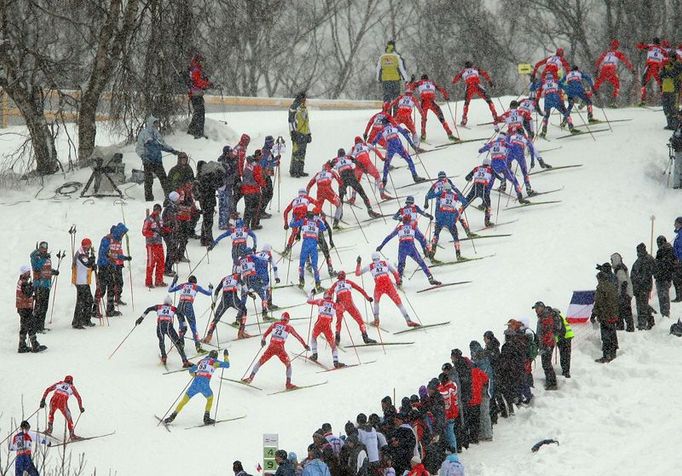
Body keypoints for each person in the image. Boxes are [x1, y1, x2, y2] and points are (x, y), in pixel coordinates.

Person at [242, 312, 310, 389]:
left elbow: (265, 334)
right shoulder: (289, 327)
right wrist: (305, 345)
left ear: (281, 318)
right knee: (288, 365)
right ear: (287, 320)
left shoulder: (274, 324)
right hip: (279, 348)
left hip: (271, 347)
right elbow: (298, 337)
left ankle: (250, 378)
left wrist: (263, 340)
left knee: (260, 362)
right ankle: (288, 384)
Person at [163, 349, 230, 425]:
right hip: (204, 385)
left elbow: (191, 370)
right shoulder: (215, 362)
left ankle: (172, 416)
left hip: (194, 384)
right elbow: (227, 365)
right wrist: (226, 356)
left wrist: (196, 374)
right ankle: (206, 417)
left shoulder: (201, 361)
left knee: (184, 400)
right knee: (210, 398)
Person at [355, 253, 419, 328]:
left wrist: (358, 264)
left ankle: (376, 320)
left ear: (372, 259)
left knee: (376, 302)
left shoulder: (370, 265)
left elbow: (357, 274)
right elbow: (394, 272)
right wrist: (398, 281)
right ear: (379, 258)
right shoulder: (385, 263)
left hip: (379, 284)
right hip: (388, 283)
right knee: (398, 303)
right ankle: (408, 320)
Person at [377, 215, 440, 285]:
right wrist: (427, 248)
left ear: (403, 221)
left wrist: (381, 246)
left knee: (401, 264)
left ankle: (399, 279)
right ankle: (430, 278)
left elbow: (389, 237)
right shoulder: (413, 227)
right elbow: (422, 238)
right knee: (421, 263)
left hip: (402, 248)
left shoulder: (399, 228)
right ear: (410, 221)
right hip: (411, 247)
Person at [136, 295, 193, 367]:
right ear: (171, 303)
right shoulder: (173, 308)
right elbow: (181, 315)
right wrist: (184, 325)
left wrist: (141, 318)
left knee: (161, 341)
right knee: (177, 343)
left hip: (160, 326)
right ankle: (185, 361)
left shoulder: (158, 307)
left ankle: (164, 357)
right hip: (169, 326)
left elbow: (148, 309)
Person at [136, 115, 179, 201]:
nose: (157, 124)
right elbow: (139, 148)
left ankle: (169, 198)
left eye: (157, 123)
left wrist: (172, 151)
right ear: (151, 123)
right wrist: (143, 156)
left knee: (164, 180)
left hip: (158, 161)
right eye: (155, 123)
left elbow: (163, 145)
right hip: (148, 162)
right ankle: (149, 199)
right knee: (148, 181)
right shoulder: (143, 133)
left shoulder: (157, 134)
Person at [330, 150, 382, 220]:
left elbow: (328, 167)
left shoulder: (335, 160)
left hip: (343, 179)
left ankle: (340, 214)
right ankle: (370, 210)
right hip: (351, 177)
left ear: (338, 155)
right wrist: (364, 169)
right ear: (344, 154)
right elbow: (358, 163)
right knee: (363, 194)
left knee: (341, 198)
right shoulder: (348, 157)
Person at [478, 132, 528, 204]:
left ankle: (484, 203)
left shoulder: (492, 143)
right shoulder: (504, 143)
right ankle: (520, 197)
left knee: (489, 184)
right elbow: (513, 147)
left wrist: (488, 148)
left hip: (493, 166)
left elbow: (480, 150)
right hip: (502, 165)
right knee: (514, 181)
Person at [328, 270, 376, 345]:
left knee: (339, 321)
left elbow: (328, 294)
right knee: (359, 319)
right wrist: (367, 297)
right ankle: (365, 336)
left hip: (339, 304)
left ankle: (337, 337)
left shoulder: (335, 284)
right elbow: (360, 289)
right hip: (349, 303)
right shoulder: (348, 282)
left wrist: (329, 303)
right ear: (344, 276)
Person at [371, 119, 426, 185]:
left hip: (390, 147)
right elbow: (405, 134)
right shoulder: (395, 126)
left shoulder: (382, 131)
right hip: (398, 145)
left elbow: (374, 141)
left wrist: (371, 145)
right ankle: (415, 176)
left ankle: (384, 181)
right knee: (409, 160)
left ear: (383, 124)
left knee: (387, 164)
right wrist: (412, 145)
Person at [169, 275, 212, 353]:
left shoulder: (183, 285)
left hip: (180, 305)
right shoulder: (195, 286)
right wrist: (210, 288)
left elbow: (170, 290)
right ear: (195, 282)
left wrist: (174, 282)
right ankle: (198, 347)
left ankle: (181, 344)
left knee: (182, 325)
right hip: (188, 305)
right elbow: (208, 293)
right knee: (193, 326)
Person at [425, 182, 468, 261]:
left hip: (441, 217)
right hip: (450, 218)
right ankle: (458, 255)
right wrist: (456, 207)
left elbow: (429, 196)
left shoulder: (441, 193)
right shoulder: (455, 195)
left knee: (436, 234)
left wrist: (430, 197)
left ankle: (432, 253)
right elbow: (465, 202)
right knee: (455, 236)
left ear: (444, 188)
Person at [96, 223, 131, 317]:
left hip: (112, 267)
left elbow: (114, 254)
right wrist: (108, 262)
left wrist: (124, 258)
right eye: (122, 233)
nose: (123, 236)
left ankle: (110, 310)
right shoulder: (106, 240)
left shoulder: (117, 241)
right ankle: (95, 309)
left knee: (111, 288)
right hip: (104, 267)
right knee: (102, 289)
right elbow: (103, 254)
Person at [205, 272, 249, 341]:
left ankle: (209, 335)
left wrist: (214, 302)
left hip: (224, 298)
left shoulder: (224, 278)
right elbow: (243, 283)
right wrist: (248, 292)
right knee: (244, 310)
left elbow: (217, 290)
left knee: (216, 317)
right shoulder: (237, 276)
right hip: (232, 296)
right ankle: (241, 332)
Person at [451, 61, 498, 126]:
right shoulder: (475, 69)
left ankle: (464, 119)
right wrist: (490, 82)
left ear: (465, 66)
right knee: (488, 100)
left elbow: (454, 80)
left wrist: (455, 81)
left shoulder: (462, 72)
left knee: (466, 103)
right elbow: (485, 74)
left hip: (469, 87)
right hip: (477, 85)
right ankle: (495, 115)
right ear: (472, 65)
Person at [413, 74, 456, 141]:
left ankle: (423, 136)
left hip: (424, 103)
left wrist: (411, 82)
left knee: (424, 119)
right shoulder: (432, 82)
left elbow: (410, 86)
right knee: (441, 118)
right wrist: (446, 96)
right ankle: (449, 134)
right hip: (432, 102)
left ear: (422, 79)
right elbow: (441, 89)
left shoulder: (419, 82)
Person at [534, 72, 578, 138]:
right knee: (566, 113)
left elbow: (536, 87)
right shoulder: (556, 81)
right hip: (556, 98)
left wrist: (535, 82)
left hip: (548, 100)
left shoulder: (543, 82)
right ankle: (571, 126)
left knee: (546, 116)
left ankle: (544, 131)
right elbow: (564, 87)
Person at [40, 375, 84, 439]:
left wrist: (43, 400)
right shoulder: (72, 387)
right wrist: (81, 408)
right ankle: (72, 435)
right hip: (62, 402)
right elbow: (78, 398)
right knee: (69, 418)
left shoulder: (60, 383)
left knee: (51, 413)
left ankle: (49, 430)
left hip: (53, 400)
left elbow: (48, 389)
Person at [30, 241, 59, 332]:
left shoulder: (46, 257)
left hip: (46, 284)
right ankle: (35, 326)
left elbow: (46, 269)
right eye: (42, 247)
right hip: (39, 284)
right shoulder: (36, 257)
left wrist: (52, 272)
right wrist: (43, 258)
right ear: (39, 248)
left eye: (46, 247)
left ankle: (41, 325)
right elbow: (37, 268)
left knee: (44, 306)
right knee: (39, 306)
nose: (44, 249)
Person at [16, 265, 46, 353]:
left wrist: (33, 297)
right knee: (31, 326)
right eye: (28, 272)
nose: (29, 274)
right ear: (24, 273)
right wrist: (33, 287)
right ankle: (34, 345)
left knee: (24, 326)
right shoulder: (24, 283)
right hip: (25, 308)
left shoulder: (21, 281)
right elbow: (27, 293)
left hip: (22, 307)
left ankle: (22, 345)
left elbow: (24, 294)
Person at [195, 160, 225, 245]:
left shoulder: (200, 176)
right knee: (208, 220)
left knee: (207, 219)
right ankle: (206, 239)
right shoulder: (205, 177)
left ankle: (205, 238)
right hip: (207, 200)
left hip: (206, 200)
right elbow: (216, 185)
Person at [593, 39, 634, 104]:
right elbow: (625, 61)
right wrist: (631, 69)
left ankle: (587, 98)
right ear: (617, 46)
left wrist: (596, 69)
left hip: (604, 69)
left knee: (597, 83)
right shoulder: (618, 53)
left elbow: (599, 61)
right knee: (616, 84)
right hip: (611, 69)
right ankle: (614, 102)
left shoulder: (606, 53)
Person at [592, 270, 619, 362]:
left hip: (605, 315)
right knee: (612, 334)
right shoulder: (612, 286)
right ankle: (613, 353)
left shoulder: (600, 288)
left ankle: (606, 355)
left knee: (606, 336)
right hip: (613, 315)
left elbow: (598, 302)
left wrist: (594, 314)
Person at [464, 157, 499, 227]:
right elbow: (499, 177)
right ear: (489, 164)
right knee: (488, 204)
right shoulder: (490, 169)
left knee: (465, 203)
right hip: (483, 188)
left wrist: (470, 178)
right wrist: (502, 179)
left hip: (475, 188)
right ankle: (487, 221)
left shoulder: (476, 168)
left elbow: (467, 177)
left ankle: (455, 218)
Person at [283, 188, 319, 254]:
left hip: (295, 218)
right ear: (305, 193)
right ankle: (315, 245)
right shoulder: (307, 198)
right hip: (303, 216)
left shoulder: (294, 200)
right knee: (311, 230)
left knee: (293, 233)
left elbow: (285, 212)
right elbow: (317, 203)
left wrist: (286, 223)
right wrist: (316, 212)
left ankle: (288, 248)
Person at [71, 238, 97, 329]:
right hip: (80, 281)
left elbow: (87, 266)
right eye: (89, 246)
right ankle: (77, 321)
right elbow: (87, 263)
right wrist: (92, 261)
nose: (89, 248)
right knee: (81, 301)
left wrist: (93, 266)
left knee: (89, 300)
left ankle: (86, 319)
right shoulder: (80, 254)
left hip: (84, 281)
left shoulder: (84, 253)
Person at [532, 301, 559, 389]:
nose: (536, 310)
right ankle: (550, 382)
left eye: (537, 308)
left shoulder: (546, 317)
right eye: (535, 309)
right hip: (546, 344)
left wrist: (546, 345)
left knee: (546, 364)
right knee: (546, 364)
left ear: (542, 307)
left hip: (547, 344)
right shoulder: (543, 316)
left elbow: (548, 333)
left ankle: (552, 383)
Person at [631, 242, 656, 330]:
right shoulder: (649, 259)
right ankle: (649, 320)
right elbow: (655, 271)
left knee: (641, 306)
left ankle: (642, 324)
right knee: (643, 305)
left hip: (641, 287)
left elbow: (634, 275)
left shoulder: (639, 261)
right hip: (643, 287)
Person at [187, 53, 212, 139]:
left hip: (195, 94)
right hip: (196, 94)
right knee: (200, 114)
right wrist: (207, 84)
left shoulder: (194, 68)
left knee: (198, 113)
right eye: (201, 61)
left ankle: (192, 130)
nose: (203, 63)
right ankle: (198, 133)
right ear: (198, 61)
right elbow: (198, 82)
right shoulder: (196, 69)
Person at [636, 37, 668, 105]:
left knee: (643, 83)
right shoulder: (662, 49)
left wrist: (640, 43)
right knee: (661, 83)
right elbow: (667, 57)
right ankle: (665, 100)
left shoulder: (650, 46)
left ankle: (643, 100)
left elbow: (639, 46)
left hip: (649, 66)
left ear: (653, 42)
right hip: (657, 67)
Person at [142, 204, 167, 288]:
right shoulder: (148, 219)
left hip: (159, 243)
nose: (158, 212)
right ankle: (148, 282)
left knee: (161, 262)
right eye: (156, 210)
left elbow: (162, 228)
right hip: (151, 244)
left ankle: (159, 280)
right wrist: (153, 234)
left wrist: (167, 230)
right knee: (151, 263)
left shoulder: (160, 219)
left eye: (159, 211)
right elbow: (144, 231)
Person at [376, 40, 408, 104]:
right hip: (395, 80)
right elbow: (402, 69)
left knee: (387, 97)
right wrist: (405, 79)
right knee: (396, 98)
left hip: (385, 80)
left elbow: (378, 69)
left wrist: (378, 79)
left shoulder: (382, 57)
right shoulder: (397, 57)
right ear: (394, 47)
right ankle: (396, 113)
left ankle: (387, 112)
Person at [289, 92, 311, 177]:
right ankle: (293, 171)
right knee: (296, 152)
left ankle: (300, 170)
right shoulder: (294, 107)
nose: (305, 100)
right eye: (304, 99)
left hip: (304, 133)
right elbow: (291, 120)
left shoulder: (304, 108)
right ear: (301, 98)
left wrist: (309, 133)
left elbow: (306, 122)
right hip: (297, 132)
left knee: (302, 152)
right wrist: (293, 132)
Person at [611, 252, 635, 331]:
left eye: (612, 261)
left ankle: (624, 327)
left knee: (623, 311)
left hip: (624, 294)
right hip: (628, 293)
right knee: (626, 311)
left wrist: (623, 294)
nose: (611, 263)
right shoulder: (622, 267)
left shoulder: (619, 270)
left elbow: (624, 282)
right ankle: (629, 326)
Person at [654, 235, 676, 318]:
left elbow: (660, 264)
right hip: (668, 277)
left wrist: (657, 271)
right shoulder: (670, 250)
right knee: (665, 296)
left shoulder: (662, 251)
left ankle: (665, 314)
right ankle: (666, 313)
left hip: (662, 277)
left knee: (663, 297)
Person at [161, 191, 181, 277]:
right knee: (171, 249)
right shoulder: (170, 209)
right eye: (178, 198)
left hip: (171, 232)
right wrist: (174, 226)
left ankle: (168, 267)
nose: (179, 200)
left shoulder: (174, 207)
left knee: (173, 249)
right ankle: (167, 269)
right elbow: (170, 221)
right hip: (168, 232)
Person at [660, 56, 682, 130]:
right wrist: (665, 72)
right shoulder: (665, 66)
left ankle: (676, 125)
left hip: (674, 90)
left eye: (672, 58)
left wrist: (666, 72)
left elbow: (673, 74)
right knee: (666, 109)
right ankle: (669, 124)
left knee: (674, 108)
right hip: (665, 90)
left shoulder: (678, 66)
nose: (670, 59)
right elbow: (661, 75)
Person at [673, 217, 682, 300]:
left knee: (677, 279)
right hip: (678, 260)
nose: (674, 225)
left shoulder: (681, 234)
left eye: (676, 223)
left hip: (679, 261)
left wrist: (678, 259)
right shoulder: (679, 234)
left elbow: (680, 248)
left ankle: (679, 296)